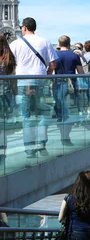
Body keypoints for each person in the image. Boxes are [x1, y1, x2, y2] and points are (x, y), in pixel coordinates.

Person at [10, 17, 58, 158]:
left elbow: (11, 66)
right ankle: (42, 145)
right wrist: (47, 73)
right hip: (40, 82)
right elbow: (53, 64)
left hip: (23, 83)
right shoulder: (45, 41)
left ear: (24, 27)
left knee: (26, 116)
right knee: (43, 113)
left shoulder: (15, 44)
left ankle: (30, 148)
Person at [54, 35, 84, 146]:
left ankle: (63, 135)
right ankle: (66, 137)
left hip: (58, 85)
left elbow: (50, 70)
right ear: (69, 43)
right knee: (70, 111)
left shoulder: (54, 55)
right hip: (71, 86)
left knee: (61, 112)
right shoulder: (74, 55)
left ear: (59, 44)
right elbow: (81, 73)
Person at [0, 34, 16, 166]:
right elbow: (12, 80)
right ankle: (2, 155)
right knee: (2, 128)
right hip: (5, 96)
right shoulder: (8, 59)